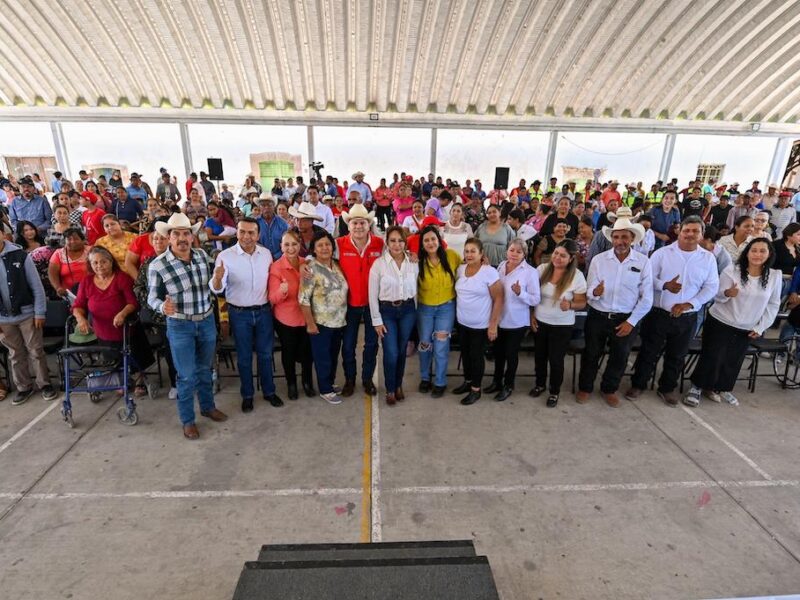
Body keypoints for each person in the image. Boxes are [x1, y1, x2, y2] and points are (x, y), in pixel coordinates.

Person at [147, 213, 227, 440]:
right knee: (186, 376)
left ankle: (208, 407)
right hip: (180, 325)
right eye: (176, 234)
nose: (182, 238)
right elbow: (151, 298)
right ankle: (188, 420)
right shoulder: (158, 265)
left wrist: (217, 280)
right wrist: (162, 307)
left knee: (205, 370)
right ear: (169, 237)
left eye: (186, 233)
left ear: (192, 237)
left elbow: (212, 287)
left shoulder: (201, 256)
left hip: (206, 321)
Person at [626, 216, 719, 406]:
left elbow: (711, 287)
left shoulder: (708, 258)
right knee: (648, 352)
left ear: (702, 235)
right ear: (679, 232)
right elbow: (647, 279)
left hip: (687, 316)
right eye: (686, 230)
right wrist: (664, 285)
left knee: (677, 355)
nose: (690, 234)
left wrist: (689, 304)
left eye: (695, 231)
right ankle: (638, 384)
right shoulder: (662, 253)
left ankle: (667, 388)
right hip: (658, 314)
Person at [685, 238, 781, 407]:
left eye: (762, 251)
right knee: (712, 356)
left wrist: (761, 327)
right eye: (754, 250)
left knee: (733, 360)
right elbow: (716, 295)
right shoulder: (732, 270)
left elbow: (773, 304)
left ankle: (719, 388)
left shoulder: (774, 276)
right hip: (721, 320)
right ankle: (697, 387)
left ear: (769, 254)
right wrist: (727, 293)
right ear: (747, 253)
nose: (757, 254)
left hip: (747, 326)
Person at [577, 217, 653, 407]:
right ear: (612, 239)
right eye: (616, 237)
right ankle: (585, 387)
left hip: (626, 318)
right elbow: (589, 290)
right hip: (598, 315)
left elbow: (647, 298)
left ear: (632, 238)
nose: (620, 241)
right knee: (591, 353)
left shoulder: (643, 262)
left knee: (620, 356)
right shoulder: (599, 260)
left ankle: (609, 389)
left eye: (624, 237)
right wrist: (595, 292)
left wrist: (631, 322)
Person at [210, 217, 281, 413]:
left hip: (264, 312)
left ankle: (269, 391)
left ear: (258, 235)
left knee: (265, 354)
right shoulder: (225, 256)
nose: (246, 236)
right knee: (244, 357)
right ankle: (247, 395)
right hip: (239, 314)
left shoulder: (265, 254)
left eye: (251, 232)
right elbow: (217, 289)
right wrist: (217, 279)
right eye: (242, 232)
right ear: (237, 232)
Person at [73, 247, 153, 397]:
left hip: (126, 328)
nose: (99, 266)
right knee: (113, 359)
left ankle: (139, 379)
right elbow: (78, 305)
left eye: (103, 261)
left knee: (135, 356)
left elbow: (133, 302)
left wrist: (122, 313)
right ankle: (120, 379)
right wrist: (80, 318)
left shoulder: (122, 278)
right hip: (103, 330)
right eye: (95, 263)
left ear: (111, 261)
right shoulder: (87, 281)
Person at [0, 234, 57, 405]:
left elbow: (37, 286)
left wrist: (39, 313)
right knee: (15, 354)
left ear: (2, 234)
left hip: (27, 314)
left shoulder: (20, 256)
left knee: (36, 351)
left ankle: (45, 384)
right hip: (3, 319)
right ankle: (24, 387)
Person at [334, 205, 384, 397]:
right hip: (349, 304)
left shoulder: (380, 244)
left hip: (373, 305)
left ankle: (367, 379)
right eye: (354, 223)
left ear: (369, 224)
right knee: (348, 345)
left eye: (362, 222)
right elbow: (320, 258)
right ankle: (349, 379)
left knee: (371, 344)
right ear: (349, 225)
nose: (358, 226)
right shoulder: (339, 244)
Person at [530, 240, 587, 407]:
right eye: (556, 253)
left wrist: (570, 305)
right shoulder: (541, 269)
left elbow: (582, 302)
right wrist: (532, 315)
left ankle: (554, 392)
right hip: (540, 322)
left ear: (571, 259)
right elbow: (532, 296)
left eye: (563, 256)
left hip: (562, 326)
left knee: (556, 360)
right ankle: (540, 384)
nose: (557, 257)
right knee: (540, 357)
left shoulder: (577, 276)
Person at [368, 226, 418, 405]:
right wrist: (376, 320)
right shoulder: (379, 264)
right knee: (391, 351)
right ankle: (390, 389)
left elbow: (416, 289)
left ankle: (398, 385)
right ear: (387, 243)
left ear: (405, 243)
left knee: (402, 350)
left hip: (408, 310)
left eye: (400, 241)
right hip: (387, 311)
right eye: (393, 241)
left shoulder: (413, 262)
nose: (397, 245)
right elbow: (372, 294)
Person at [299, 231, 349, 405]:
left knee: (333, 355)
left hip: (339, 321)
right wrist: (310, 324)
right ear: (314, 249)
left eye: (327, 244)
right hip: (320, 323)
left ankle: (330, 382)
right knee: (323, 358)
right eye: (320, 245)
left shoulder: (337, 264)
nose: (324, 248)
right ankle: (325, 389)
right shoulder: (310, 269)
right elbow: (303, 299)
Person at [487, 239, 540, 401]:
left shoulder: (530, 272)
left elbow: (535, 299)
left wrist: (520, 293)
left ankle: (508, 385)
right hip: (499, 318)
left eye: (519, 251)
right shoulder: (501, 266)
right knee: (498, 353)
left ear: (524, 254)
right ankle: (496, 381)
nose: (514, 254)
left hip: (516, 321)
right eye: (512, 250)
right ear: (506, 251)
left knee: (511, 354)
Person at [452, 238, 503, 405]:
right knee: (465, 355)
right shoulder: (460, 269)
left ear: (481, 254)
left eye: (473, 251)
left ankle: (476, 389)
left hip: (480, 325)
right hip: (462, 323)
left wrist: (493, 325)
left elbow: (499, 298)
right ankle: (468, 382)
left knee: (476, 356)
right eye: (466, 251)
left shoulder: (489, 272)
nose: (469, 254)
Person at [269, 231, 314, 400]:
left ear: (300, 245)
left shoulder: (306, 263)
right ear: (281, 246)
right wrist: (282, 292)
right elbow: (272, 298)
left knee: (307, 353)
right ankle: (291, 384)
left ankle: (307, 382)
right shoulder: (276, 267)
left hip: (306, 317)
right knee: (288, 353)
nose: (291, 248)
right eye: (286, 244)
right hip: (286, 320)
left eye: (294, 244)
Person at [416, 225, 460, 397]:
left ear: (440, 241)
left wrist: (483, 260)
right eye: (426, 240)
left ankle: (440, 382)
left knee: (441, 345)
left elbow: (468, 267)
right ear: (422, 245)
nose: (430, 243)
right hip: (425, 309)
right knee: (425, 344)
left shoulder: (452, 256)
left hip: (446, 309)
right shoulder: (417, 261)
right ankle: (425, 378)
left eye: (433, 239)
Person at [133, 230, 178, 399]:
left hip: (183, 313)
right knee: (170, 351)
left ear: (170, 240)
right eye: (155, 238)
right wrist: (155, 303)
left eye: (162, 238)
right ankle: (175, 384)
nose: (158, 241)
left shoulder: (179, 259)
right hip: (161, 316)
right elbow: (138, 287)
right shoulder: (148, 263)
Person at [48, 228, 90, 297]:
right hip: (68, 294)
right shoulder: (58, 254)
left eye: (76, 239)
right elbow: (52, 274)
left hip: (90, 291)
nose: (72, 241)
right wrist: (58, 288)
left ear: (83, 240)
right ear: (64, 241)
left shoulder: (91, 251)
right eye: (69, 239)